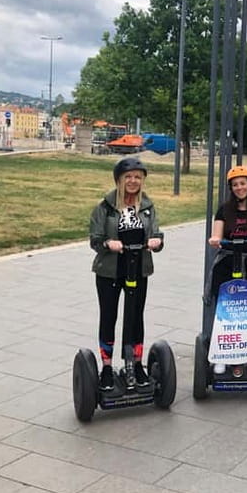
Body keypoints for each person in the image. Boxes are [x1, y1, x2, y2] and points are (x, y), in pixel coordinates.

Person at [89, 158, 164, 391]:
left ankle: (136, 364)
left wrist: (157, 242)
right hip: (110, 271)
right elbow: (95, 238)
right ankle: (108, 368)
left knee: (135, 317)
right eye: (128, 177)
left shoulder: (148, 207)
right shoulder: (105, 207)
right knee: (109, 316)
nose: (133, 181)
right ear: (119, 180)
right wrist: (108, 243)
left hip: (138, 268)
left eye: (137, 177)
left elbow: (157, 235)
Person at [207, 165, 247, 374]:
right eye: (235, 185)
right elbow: (216, 235)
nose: (239, 188)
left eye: (243, 183)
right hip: (228, 258)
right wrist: (216, 239)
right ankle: (222, 354)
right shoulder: (224, 210)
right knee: (224, 308)